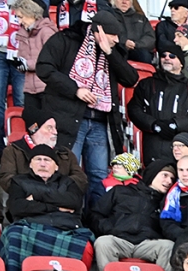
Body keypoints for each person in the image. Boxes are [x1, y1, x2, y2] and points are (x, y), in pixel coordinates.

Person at [37, 9, 139, 210]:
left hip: (100, 122)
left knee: (98, 174)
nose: (116, 39)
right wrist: (75, 89)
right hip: (69, 119)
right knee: (67, 171)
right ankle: (69, 216)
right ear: (98, 31)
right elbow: (44, 68)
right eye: (112, 35)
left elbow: (131, 79)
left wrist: (110, 54)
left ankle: (95, 218)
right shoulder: (65, 39)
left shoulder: (114, 50)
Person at [1, 143, 94, 271]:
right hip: (30, 227)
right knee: (13, 233)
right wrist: (55, 206)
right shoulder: (19, 182)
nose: (42, 164)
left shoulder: (69, 182)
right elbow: (17, 208)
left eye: (47, 160)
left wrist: (37, 197)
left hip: (66, 229)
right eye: (38, 159)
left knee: (85, 245)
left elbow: (74, 202)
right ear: (30, 164)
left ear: (56, 166)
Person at [94, 164, 179, 270]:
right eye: (165, 175)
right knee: (103, 242)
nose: (169, 181)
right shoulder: (120, 191)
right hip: (119, 240)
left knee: (168, 246)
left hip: (148, 244)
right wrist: (109, 228)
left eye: (172, 179)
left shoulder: (167, 202)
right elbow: (96, 214)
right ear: (153, 175)